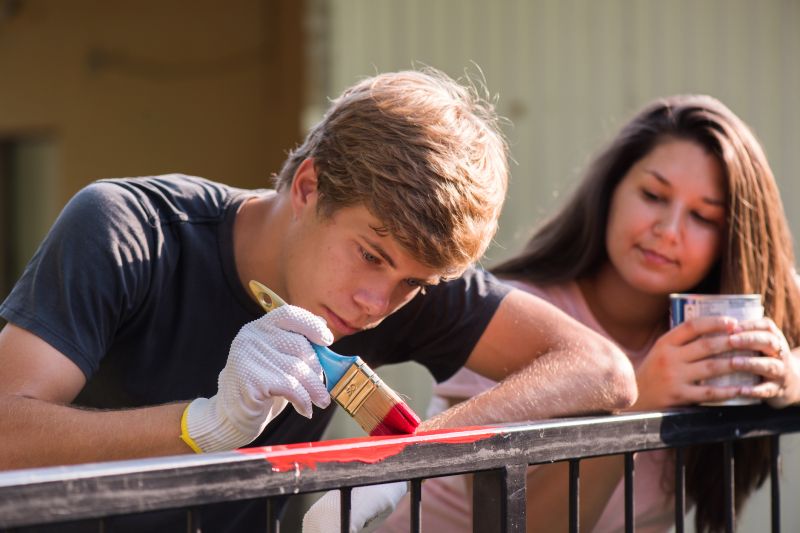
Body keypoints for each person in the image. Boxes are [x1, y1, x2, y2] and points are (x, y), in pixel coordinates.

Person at [0, 68, 636, 532]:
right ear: (309, 185)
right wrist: (203, 425)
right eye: (370, 255)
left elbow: (602, 369)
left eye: (413, 283)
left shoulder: (401, 277)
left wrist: (402, 457)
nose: (374, 303)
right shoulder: (128, 228)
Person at [381, 94, 800, 533]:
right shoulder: (515, 316)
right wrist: (641, 401)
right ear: (611, 189)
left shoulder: (719, 326)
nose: (669, 230)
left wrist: (786, 376)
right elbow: (517, 525)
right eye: (653, 195)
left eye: (703, 216)